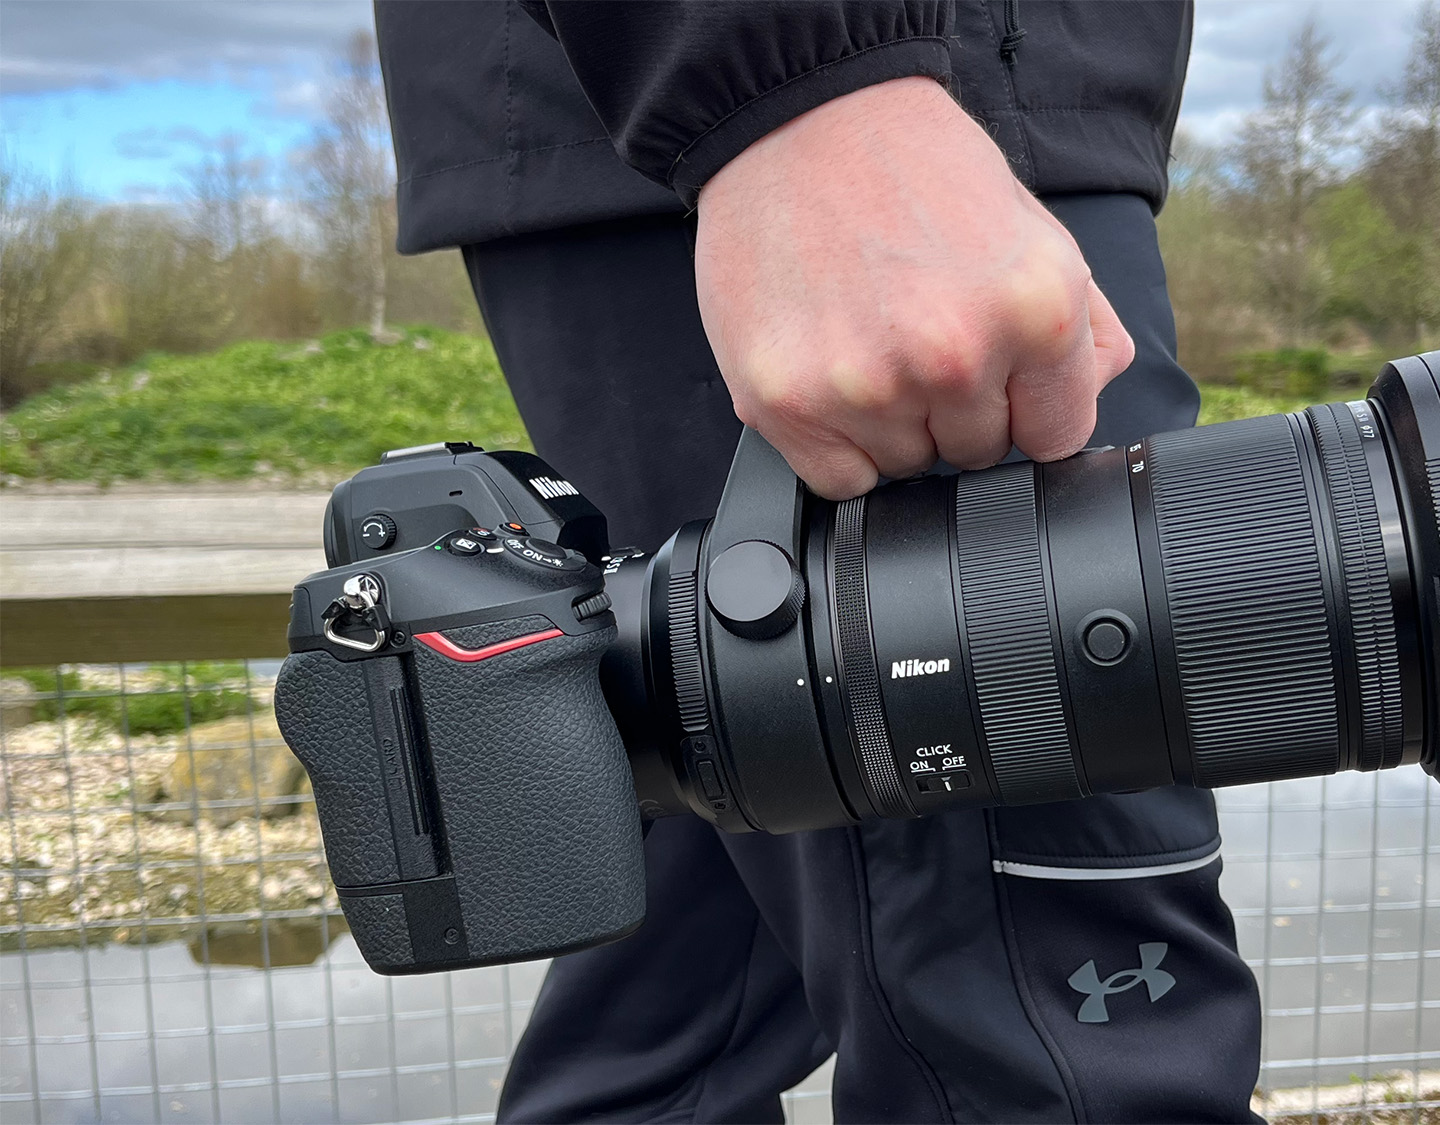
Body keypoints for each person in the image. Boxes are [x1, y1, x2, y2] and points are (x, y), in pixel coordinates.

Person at [374, 3, 1263, 1120]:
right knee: (1058, 1056)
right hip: (830, 123)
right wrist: (797, 84)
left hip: (935, 108)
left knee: (683, 968)